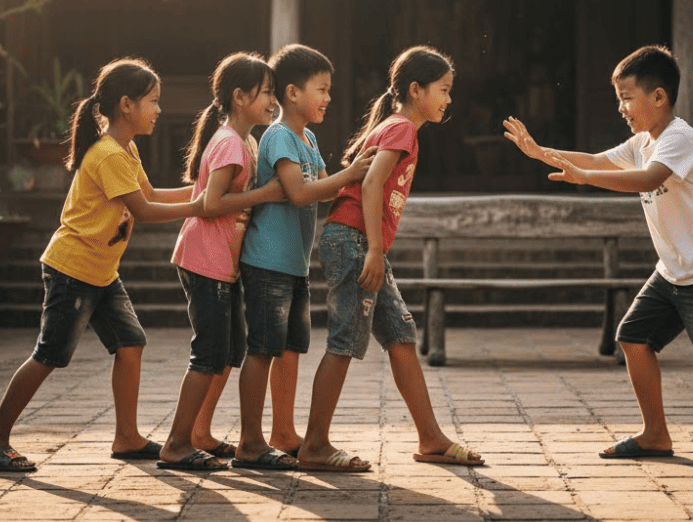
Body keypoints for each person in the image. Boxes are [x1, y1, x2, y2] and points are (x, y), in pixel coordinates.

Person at [503, 44, 693, 474]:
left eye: (627, 98)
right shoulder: (642, 142)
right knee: (633, 338)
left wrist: (585, 178)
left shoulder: (679, 138)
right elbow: (597, 161)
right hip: (673, 271)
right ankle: (655, 435)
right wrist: (543, 153)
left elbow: (649, 179)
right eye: (618, 99)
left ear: (658, 97)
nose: (621, 107)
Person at [0, 58, 207, 472]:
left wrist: (203, 189)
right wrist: (202, 207)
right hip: (73, 270)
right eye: (153, 101)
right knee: (50, 354)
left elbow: (149, 192)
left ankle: (127, 437)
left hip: (100, 270)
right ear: (127, 104)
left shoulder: (126, 149)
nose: (159, 110)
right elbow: (144, 211)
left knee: (130, 344)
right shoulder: (107, 155)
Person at [298, 45, 484, 473]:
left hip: (357, 241)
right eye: (443, 89)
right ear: (416, 90)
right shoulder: (402, 128)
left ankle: (431, 438)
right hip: (355, 242)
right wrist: (377, 251)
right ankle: (314, 444)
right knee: (344, 341)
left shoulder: (393, 125)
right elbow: (370, 186)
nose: (448, 100)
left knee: (400, 333)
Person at [234, 44, 376, 470]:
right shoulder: (278, 135)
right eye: (322, 89)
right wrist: (349, 175)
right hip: (266, 261)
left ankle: (283, 432)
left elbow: (325, 186)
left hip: (293, 264)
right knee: (261, 349)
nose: (328, 98)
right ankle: (250, 442)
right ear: (292, 92)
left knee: (292, 347)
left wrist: (355, 174)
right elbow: (298, 193)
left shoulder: (307, 137)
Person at [158, 53, 286, 470]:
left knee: (228, 353)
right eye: (266, 92)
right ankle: (176, 443)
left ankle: (200, 433)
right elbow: (210, 204)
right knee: (209, 356)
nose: (272, 100)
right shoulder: (231, 140)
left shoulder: (244, 140)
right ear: (239, 96)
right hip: (205, 260)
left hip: (220, 263)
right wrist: (265, 195)